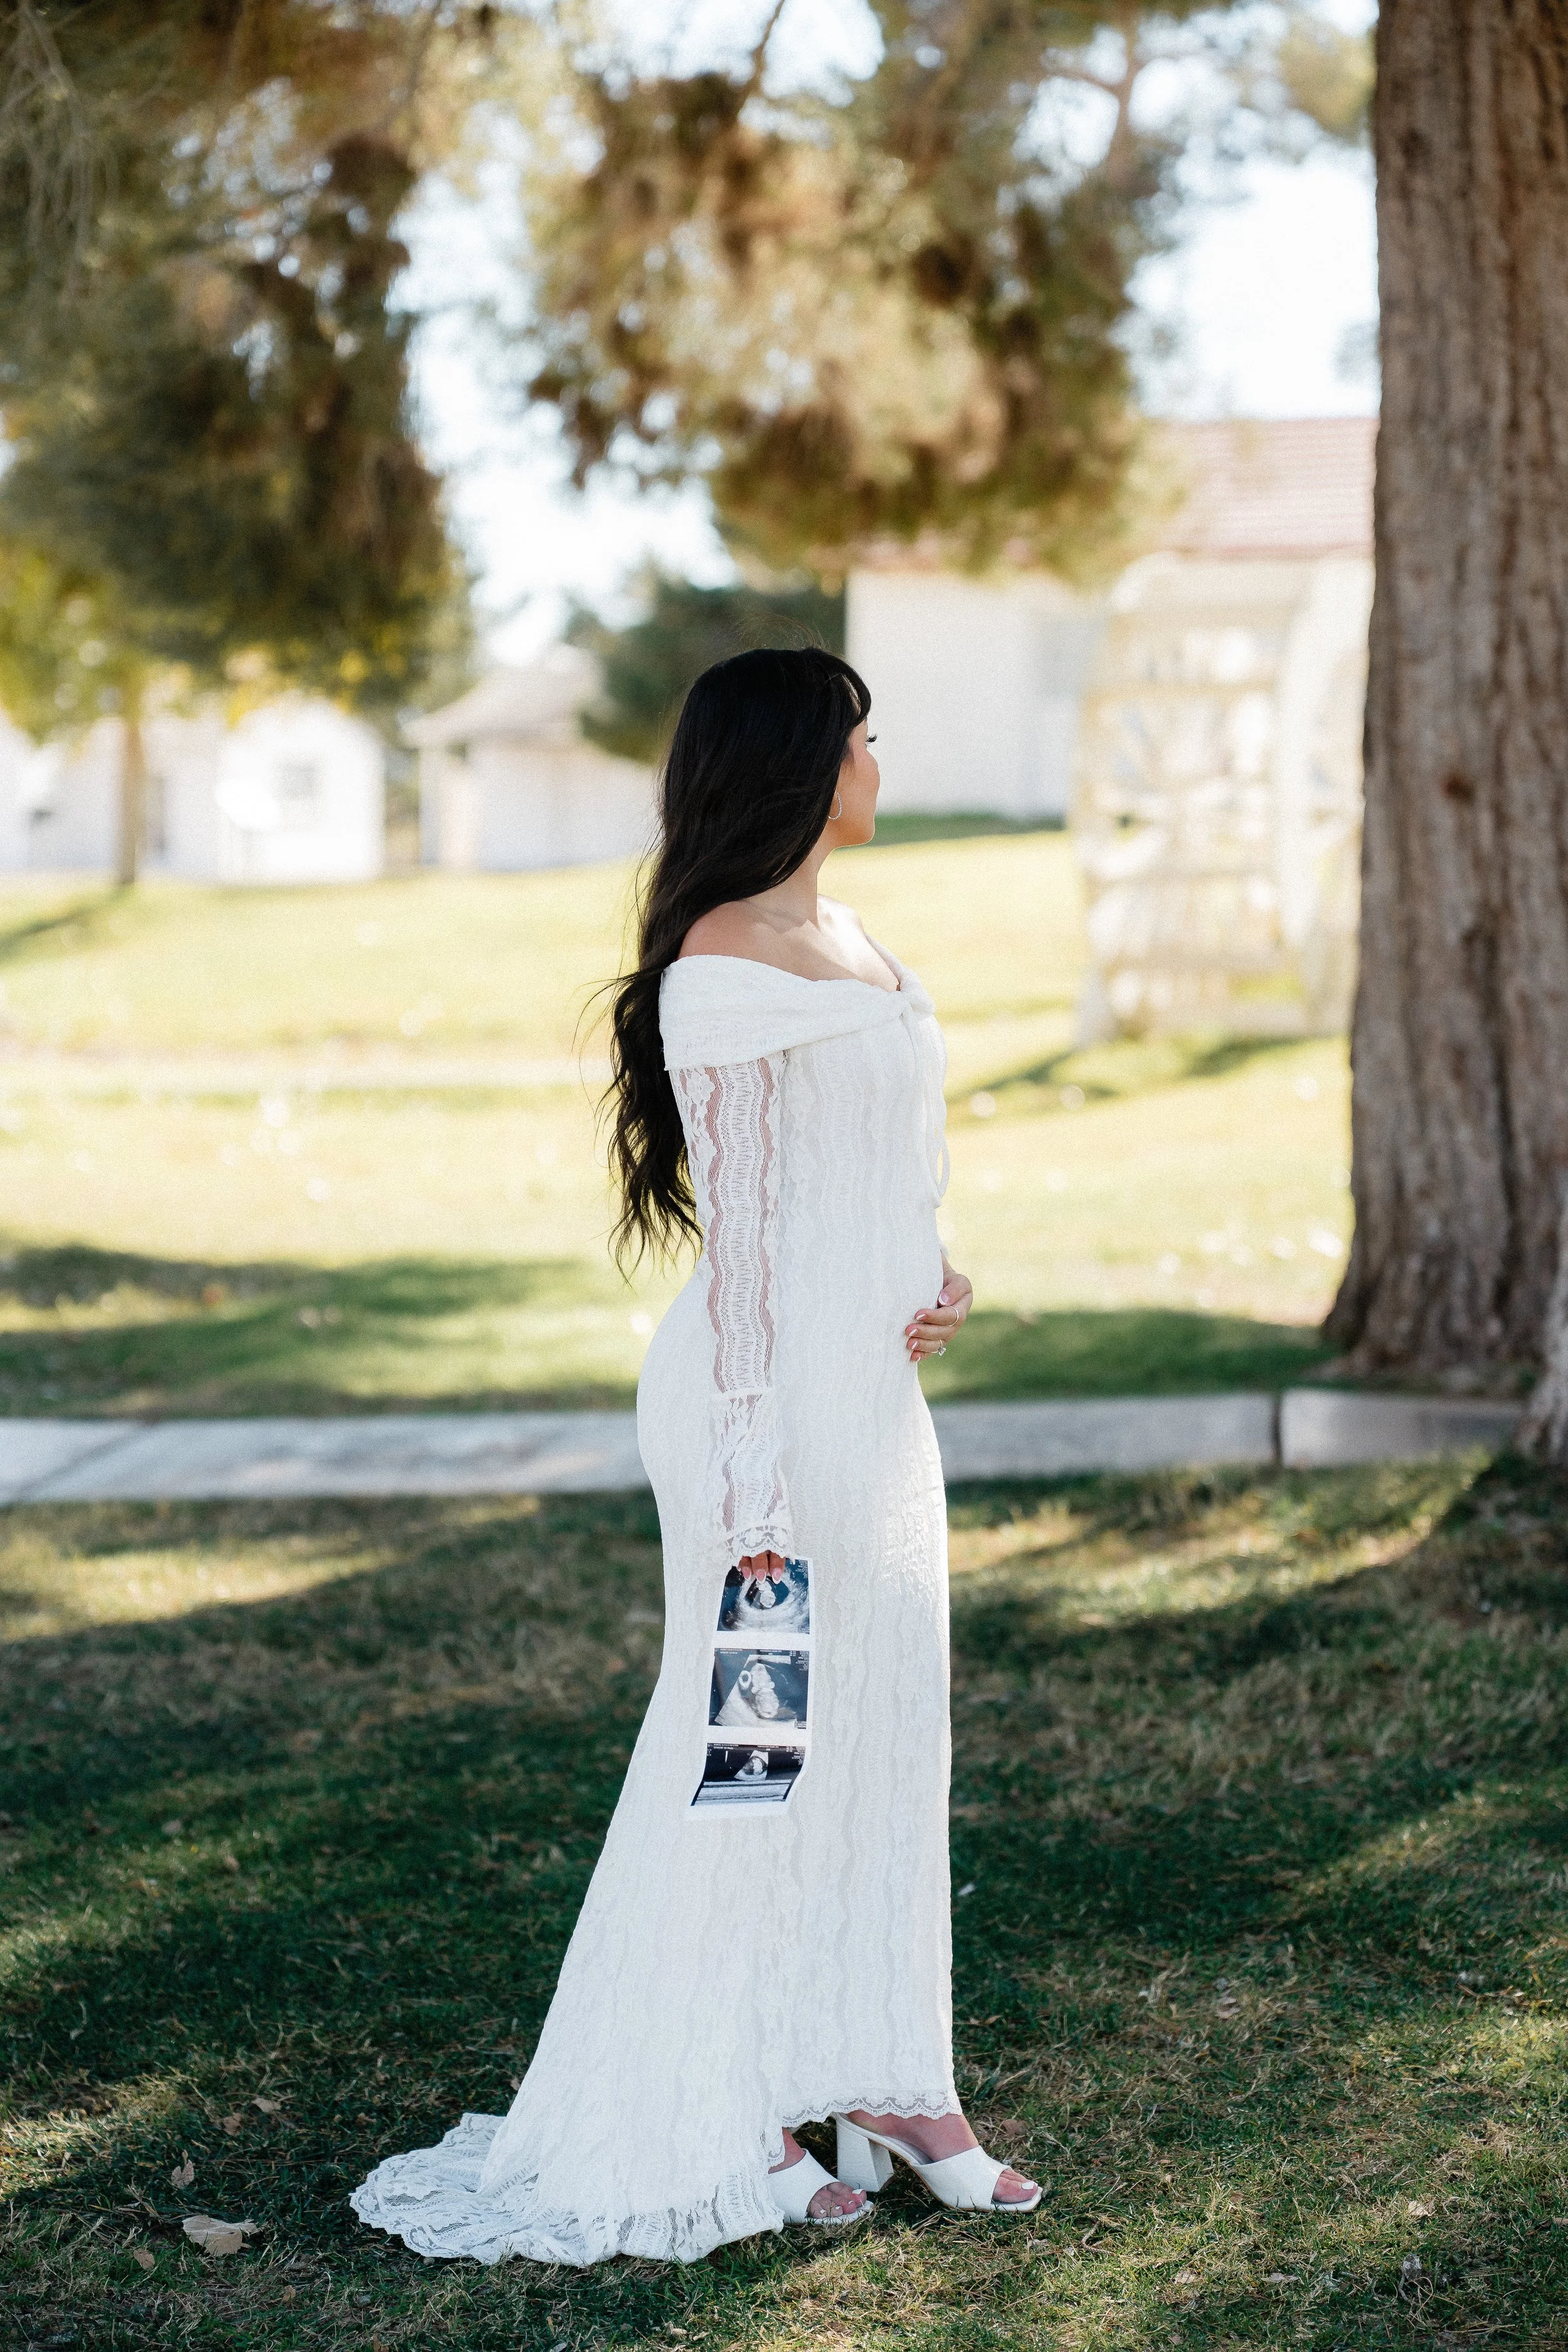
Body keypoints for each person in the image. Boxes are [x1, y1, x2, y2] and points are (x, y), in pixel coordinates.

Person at [350, 647, 1039, 2265]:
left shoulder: (859, 940)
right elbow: (743, 1257)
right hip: (764, 1420)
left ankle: (893, 2085)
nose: (880, 760)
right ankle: (724, 2109)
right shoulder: (721, 962)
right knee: (755, 1754)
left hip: (873, 1405)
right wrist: (753, 1497)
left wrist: (936, 1277)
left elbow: (880, 1178)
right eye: (862, 738)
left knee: (880, 1735)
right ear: (803, 764)